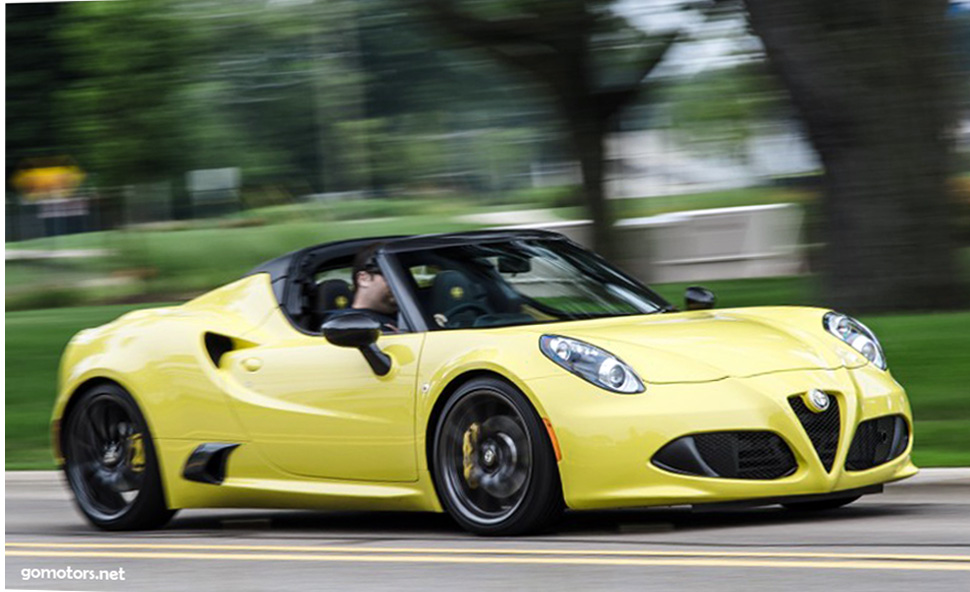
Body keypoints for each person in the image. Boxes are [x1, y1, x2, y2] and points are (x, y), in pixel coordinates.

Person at [343, 242, 399, 332]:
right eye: (391, 276)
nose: (398, 284)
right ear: (363, 279)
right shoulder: (346, 324)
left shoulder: (415, 314)